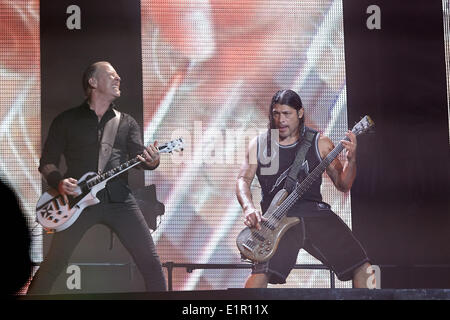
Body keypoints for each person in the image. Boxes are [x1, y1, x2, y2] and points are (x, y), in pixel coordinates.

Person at [27, 61, 167, 294]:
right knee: (54, 264)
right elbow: (47, 163)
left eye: (118, 75)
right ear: (93, 82)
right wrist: (59, 182)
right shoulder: (66, 120)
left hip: (120, 200)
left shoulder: (126, 122)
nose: (118, 78)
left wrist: (153, 161)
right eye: (111, 75)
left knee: (151, 263)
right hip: (76, 202)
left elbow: (140, 159)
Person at [236, 89, 374, 288]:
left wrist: (351, 161)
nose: (280, 120)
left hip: (314, 214)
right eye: (276, 114)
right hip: (275, 220)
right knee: (261, 275)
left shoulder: (321, 143)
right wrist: (248, 207)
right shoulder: (259, 145)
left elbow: (343, 184)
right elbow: (242, 179)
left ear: (300, 113)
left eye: (286, 114)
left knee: (364, 268)